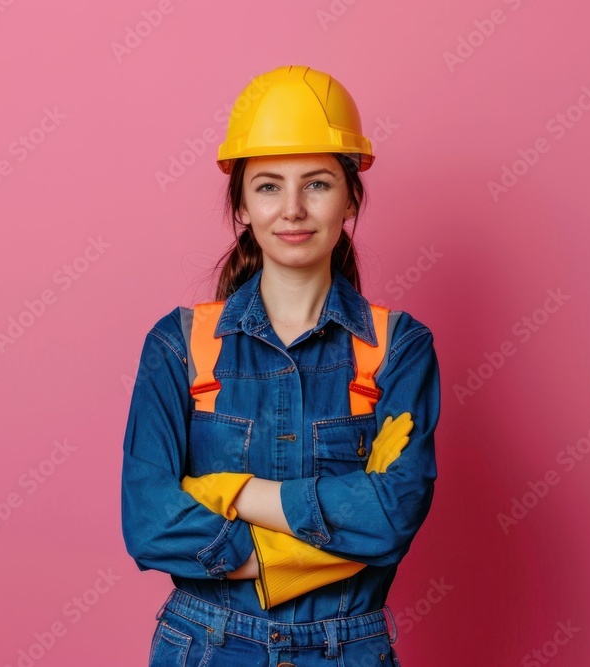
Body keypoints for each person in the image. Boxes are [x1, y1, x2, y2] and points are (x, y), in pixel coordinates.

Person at [121, 64, 441, 667]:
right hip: (206, 647)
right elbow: (150, 522)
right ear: (241, 203)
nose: (292, 209)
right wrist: (333, 537)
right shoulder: (180, 344)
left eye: (317, 183)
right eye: (268, 185)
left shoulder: (399, 347)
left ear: (351, 197)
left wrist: (230, 492)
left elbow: (392, 516)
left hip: (348, 650)